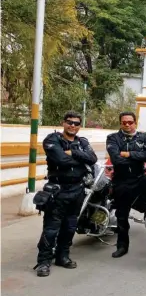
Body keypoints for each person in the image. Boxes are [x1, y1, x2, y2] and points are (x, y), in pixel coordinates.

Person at [34, 111, 98, 277]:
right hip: (58, 190)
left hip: (77, 190)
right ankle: (43, 262)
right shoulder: (52, 139)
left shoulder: (82, 141)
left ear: (79, 126)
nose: (73, 126)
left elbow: (92, 158)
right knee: (51, 228)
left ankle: (62, 256)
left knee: (70, 227)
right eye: (69, 122)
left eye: (76, 123)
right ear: (63, 123)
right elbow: (61, 160)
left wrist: (73, 153)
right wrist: (80, 158)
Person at [105, 111, 146, 258]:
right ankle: (122, 246)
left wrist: (128, 154)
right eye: (124, 122)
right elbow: (116, 159)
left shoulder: (144, 136)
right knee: (122, 216)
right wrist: (136, 155)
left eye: (130, 122)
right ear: (120, 123)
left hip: (140, 177)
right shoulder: (112, 138)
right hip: (121, 180)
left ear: (135, 122)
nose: (127, 124)